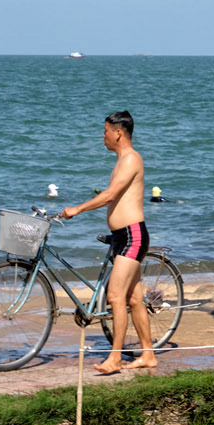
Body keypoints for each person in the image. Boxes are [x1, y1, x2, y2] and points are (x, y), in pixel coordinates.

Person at [63, 109, 157, 374]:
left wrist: (78, 209)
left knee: (115, 296)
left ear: (118, 132)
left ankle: (115, 358)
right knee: (135, 299)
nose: (101, 135)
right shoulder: (121, 160)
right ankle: (148, 354)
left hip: (132, 236)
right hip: (122, 237)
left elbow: (110, 195)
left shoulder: (130, 159)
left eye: (105, 130)